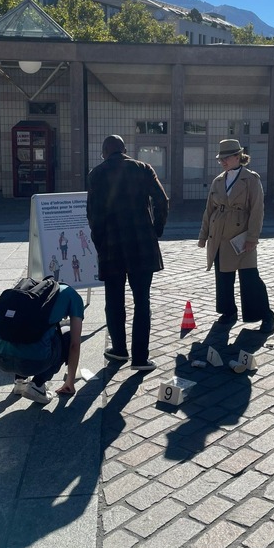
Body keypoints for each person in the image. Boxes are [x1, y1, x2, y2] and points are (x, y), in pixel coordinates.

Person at [87, 134, 168, 372]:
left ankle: (119, 350)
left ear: (104, 153)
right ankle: (141, 358)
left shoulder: (96, 174)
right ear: (124, 149)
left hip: (111, 247)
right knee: (142, 300)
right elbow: (162, 201)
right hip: (142, 245)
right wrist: (156, 230)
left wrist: (99, 241)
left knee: (114, 300)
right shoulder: (143, 168)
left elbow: (92, 215)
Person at [198, 138, 274, 334]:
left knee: (250, 278)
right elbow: (209, 210)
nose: (223, 162)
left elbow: (257, 210)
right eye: (220, 159)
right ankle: (228, 312)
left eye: (227, 158)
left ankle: (266, 315)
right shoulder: (218, 180)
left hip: (240, 237)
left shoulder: (251, 179)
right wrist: (203, 235)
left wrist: (252, 238)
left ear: (238, 156)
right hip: (219, 236)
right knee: (223, 277)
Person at [0, 282, 84, 402]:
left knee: (22, 329)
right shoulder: (72, 296)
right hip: (33, 362)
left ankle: (20, 382)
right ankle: (38, 385)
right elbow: (75, 345)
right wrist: (70, 382)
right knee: (66, 334)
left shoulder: (28, 291)